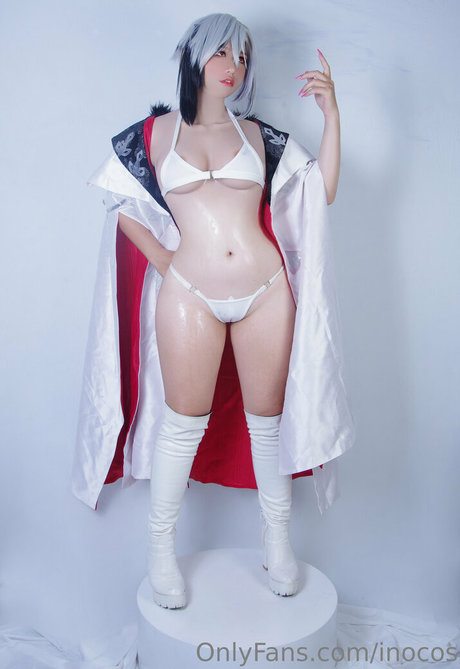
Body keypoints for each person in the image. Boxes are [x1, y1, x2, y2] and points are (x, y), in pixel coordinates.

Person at [72, 13, 355, 610]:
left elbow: (321, 192)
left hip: (266, 291)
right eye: (222, 52)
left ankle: (277, 543)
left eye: (243, 57)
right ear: (194, 56)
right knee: (183, 424)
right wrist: (166, 262)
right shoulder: (155, 133)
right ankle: (160, 551)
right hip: (190, 295)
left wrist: (332, 115)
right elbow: (119, 203)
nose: (234, 67)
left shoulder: (258, 136)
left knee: (267, 425)